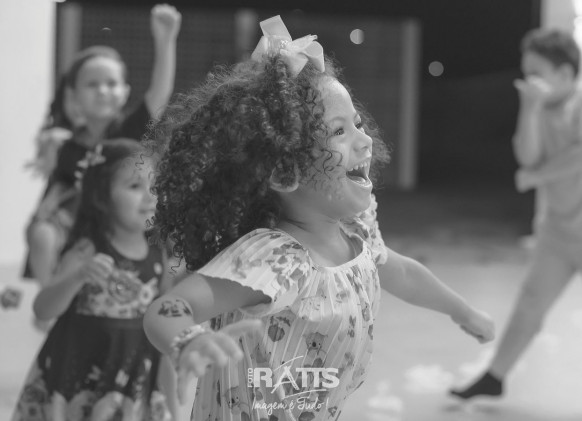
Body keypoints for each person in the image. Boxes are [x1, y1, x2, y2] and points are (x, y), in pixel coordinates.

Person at [142, 16, 495, 421]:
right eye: (338, 132)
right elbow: (167, 308)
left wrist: (462, 311)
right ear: (285, 173)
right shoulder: (272, 258)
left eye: (357, 123)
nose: (364, 140)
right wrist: (188, 342)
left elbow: (402, 273)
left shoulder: (356, 233)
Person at [450, 29, 582, 401]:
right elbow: (527, 156)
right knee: (530, 303)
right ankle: (495, 377)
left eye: (537, 73)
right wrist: (531, 107)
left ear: (565, 74)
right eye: (526, 73)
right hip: (558, 231)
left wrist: (538, 176)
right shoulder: (538, 105)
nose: (528, 82)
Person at [12, 139, 179, 420]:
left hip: (131, 377)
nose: (150, 196)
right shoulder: (86, 251)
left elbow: (163, 316)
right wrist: (77, 277)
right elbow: (43, 309)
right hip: (80, 375)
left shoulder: (157, 254)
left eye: (154, 185)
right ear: (102, 197)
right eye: (134, 186)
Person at [24, 3, 182, 287]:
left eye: (111, 83)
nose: (102, 90)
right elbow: (54, 197)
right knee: (42, 234)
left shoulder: (131, 130)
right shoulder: (66, 145)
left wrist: (165, 40)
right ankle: (50, 298)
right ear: (73, 96)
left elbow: (160, 92)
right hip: (84, 230)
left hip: (128, 224)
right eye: (92, 84)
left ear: (125, 92)